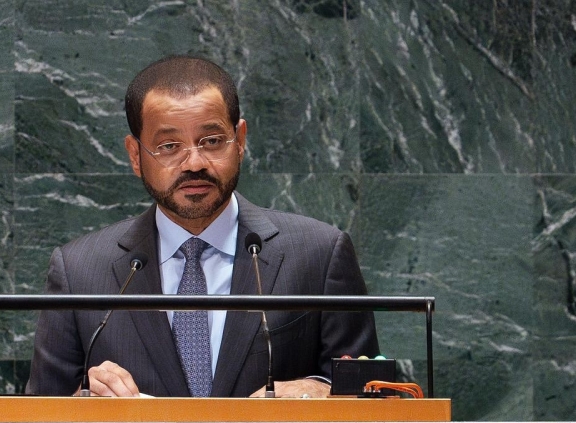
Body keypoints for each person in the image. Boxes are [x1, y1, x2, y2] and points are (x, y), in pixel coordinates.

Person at [26, 55, 378, 398]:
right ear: (135, 155)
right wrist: (82, 402)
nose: (194, 163)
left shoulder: (319, 254)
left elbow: (374, 396)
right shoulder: (79, 271)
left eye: (211, 141)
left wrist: (323, 388)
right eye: (168, 146)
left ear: (239, 140)